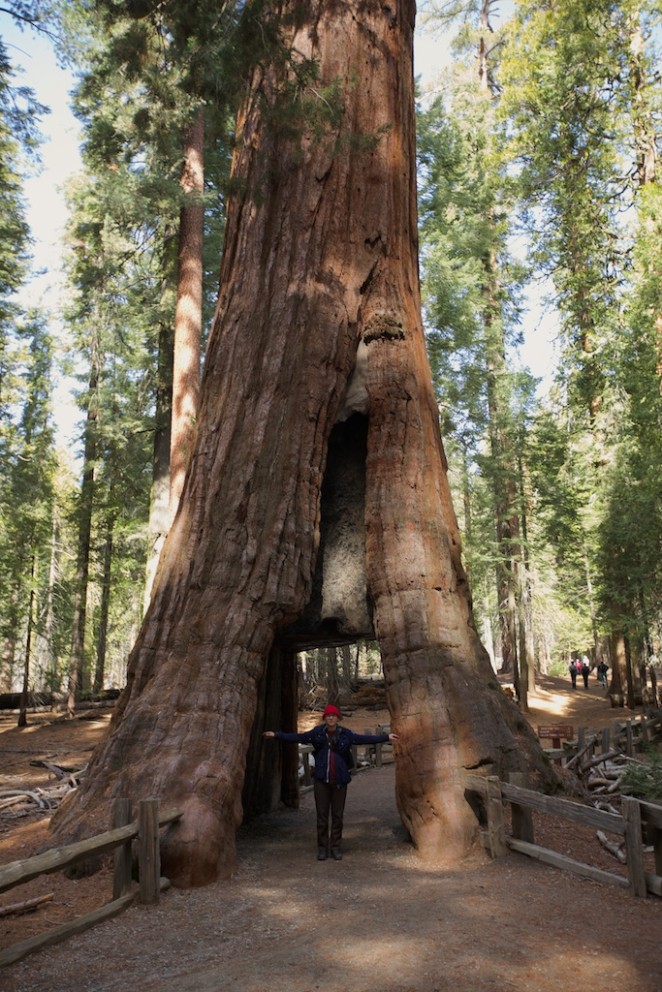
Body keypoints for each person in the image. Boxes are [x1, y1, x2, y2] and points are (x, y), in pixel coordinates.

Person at [263, 703, 399, 862]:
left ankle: (335, 847)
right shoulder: (317, 734)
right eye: (328, 716)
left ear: (338, 718)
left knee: (337, 815)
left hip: (340, 781)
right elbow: (298, 737)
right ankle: (322, 848)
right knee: (321, 816)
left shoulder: (345, 734)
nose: (331, 718)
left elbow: (363, 739)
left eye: (333, 716)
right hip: (321, 780)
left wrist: (386, 737)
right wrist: (277, 735)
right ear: (325, 718)